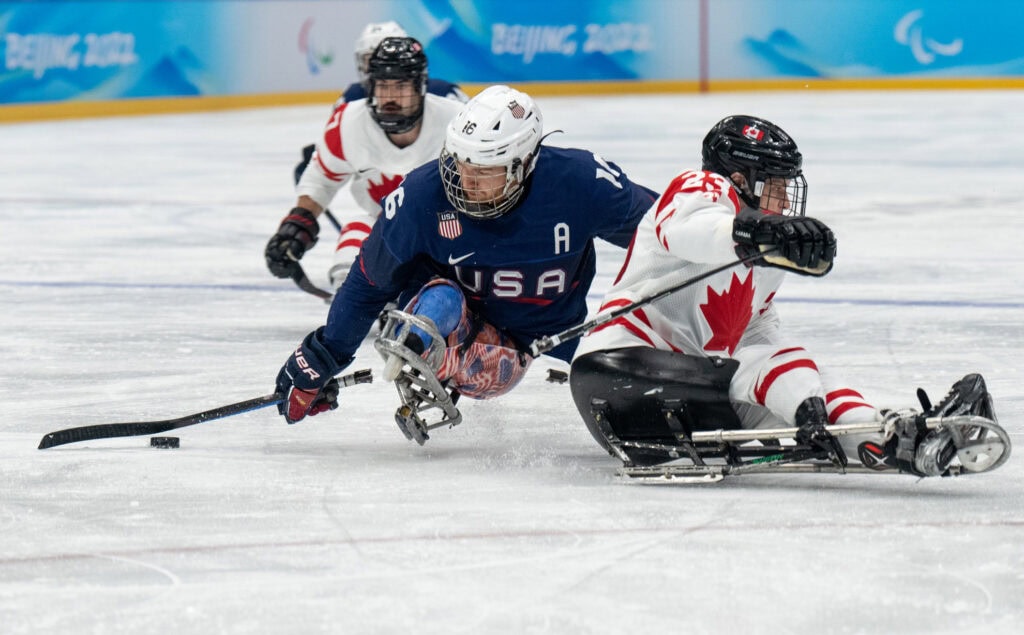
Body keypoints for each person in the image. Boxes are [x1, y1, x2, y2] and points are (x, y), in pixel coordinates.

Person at [568, 114, 1002, 477]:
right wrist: (757, 234)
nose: (784, 195)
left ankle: (898, 438)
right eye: (776, 183)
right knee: (778, 378)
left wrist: (808, 397)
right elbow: (692, 231)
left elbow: (758, 337)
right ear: (741, 179)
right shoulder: (699, 188)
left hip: (691, 392)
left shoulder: (765, 260)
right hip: (621, 371)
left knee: (807, 386)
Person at [273, 85, 659, 435]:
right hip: (462, 329)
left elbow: (664, 231)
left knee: (640, 369)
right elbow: (369, 282)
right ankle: (426, 348)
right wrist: (321, 358)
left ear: (524, 164)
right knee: (439, 300)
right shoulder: (422, 196)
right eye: (460, 165)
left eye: (484, 172)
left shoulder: (581, 182)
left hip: (550, 335)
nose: (464, 182)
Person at [265, 36, 464, 289]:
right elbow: (321, 180)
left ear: (420, 87)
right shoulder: (348, 124)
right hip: (380, 226)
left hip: (445, 232)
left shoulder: (456, 122)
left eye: (401, 86)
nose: (390, 96)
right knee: (347, 268)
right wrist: (297, 225)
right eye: (383, 86)